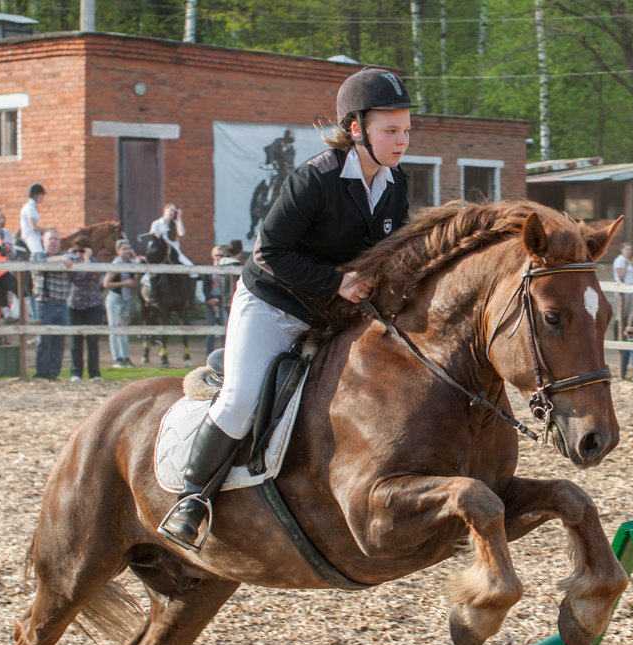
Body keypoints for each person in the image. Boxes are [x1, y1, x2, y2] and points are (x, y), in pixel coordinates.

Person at [159, 67, 417, 551]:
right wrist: (336, 283)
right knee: (239, 402)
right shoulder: (314, 179)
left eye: (406, 129)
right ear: (356, 128)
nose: (401, 140)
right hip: (274, 304)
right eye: (391, 130)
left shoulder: (396, 185)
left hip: (333, 311)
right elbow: (270, 253)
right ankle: (193, 500)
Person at [31, 229, 74, 380]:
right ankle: (42, 372)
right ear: (44, 241)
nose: (53, 242)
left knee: (59, 340)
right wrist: (60, 259)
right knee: (44, 339)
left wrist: (63, 258)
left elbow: (74, 259)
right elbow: (37, 264)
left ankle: (54, 372)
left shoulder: (66, 256)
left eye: (56, 239)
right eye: (50, 239)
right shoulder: (38, 255)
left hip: (62, 304)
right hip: (44, 303)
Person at [68, 240, 104, 381]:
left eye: (82, 250)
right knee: (75, 341)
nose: (79, 254)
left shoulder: (96, 262)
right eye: (77, 250)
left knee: (93, 341)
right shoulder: (72, 262)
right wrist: (75, 257)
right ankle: (76, 372)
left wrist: (87, 258)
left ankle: (94, 372)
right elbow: (77, 278)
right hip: (74, 305)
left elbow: (93, 274)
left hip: (93, 304)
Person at [103, 238, 140, 368]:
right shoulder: (116, 264)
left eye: (128, 248)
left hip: (126, 298)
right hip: (115, 298)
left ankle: (125, 357)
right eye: (124, 249)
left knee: (124, 328)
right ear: (118, 251)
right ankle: (117, 358)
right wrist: (125, 283)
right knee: (115, 328)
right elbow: (106, 283)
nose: (127, 251)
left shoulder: (132, 263)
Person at [202, 244, 234, 355]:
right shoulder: (209, 270)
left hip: (222, 302)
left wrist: (218, 300)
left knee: (224, 330)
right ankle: (208, 354)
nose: (218, 257)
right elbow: (205, 288)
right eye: (216, 255)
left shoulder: (226, 271)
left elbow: (227, 289)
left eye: (221, 255)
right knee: (210, 329)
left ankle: (223, 354)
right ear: (212, 255)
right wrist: (211, 300)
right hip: (210, 303)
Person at [611, 243, 633, 339]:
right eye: (627, 249)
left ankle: (623, 336)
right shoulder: (620, 260)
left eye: (630, 249)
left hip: (628, 289)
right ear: (622, 250)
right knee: (620, 313)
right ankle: (617, 337)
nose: (629, 251)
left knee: (626, 314)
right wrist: (625, 265)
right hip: (622, 290)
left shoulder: (627, 260)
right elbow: (621, 276)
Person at [20, 183, 47, 259]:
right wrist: (48, 229)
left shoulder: (32, 207)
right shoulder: (30, 208)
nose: (42, 198)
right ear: (35, 195)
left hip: (35, 235)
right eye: (41, 195)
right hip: (30, 236)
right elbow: (34, 227)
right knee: (39, 254)